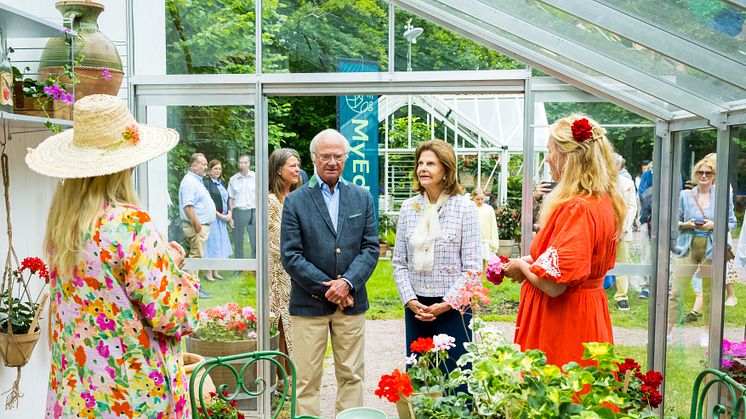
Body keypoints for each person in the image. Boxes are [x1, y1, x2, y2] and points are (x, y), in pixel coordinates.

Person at [26, 94, 199, 418]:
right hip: (132, 397)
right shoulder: (130, 225)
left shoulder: (62, 230)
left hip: (78, 396)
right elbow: (172, 315)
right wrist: (173, 268)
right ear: (124, 166)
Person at [503, 114, 625, 367]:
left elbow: (555, 286)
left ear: (568, 158)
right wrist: (532, 260)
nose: (547, 159)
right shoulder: (603, 200)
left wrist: (522, 267)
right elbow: (571, 260)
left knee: (561, 392)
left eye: (550, 151)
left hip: (563, 321)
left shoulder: (577, 207)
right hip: (587, 310)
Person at [280, 129, 378, 416]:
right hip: (309, 305)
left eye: (338, 156)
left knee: (351, 375)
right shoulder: (296, 201)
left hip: (351, 302)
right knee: (307, 379)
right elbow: (291, 255)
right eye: (325, 156)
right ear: (314, 158)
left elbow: (370, 248)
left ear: (346, 158)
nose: (332, 162)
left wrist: (347, 283)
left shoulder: (362, 197)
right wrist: (329, 289)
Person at [392, 139, 481, 376]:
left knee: (456, 377)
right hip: (417, 307)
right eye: (420, 163)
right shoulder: (408, 208)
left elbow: (473, 269)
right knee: (421, 376)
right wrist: (410, 300)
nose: (422, 168)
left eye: (430, 163)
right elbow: (399, 263)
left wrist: (446, 304)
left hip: (453, 307)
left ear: (446, 170)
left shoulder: (464, 207)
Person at [667, 155, 737, 347]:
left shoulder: (722, 195)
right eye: (700, 172)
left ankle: (706, 333)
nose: (704, 176)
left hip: (710, 250)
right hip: (687, 248)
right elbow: (673, 220)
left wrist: (714, 225)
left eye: (708, 173)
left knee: (709, 292)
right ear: (696, 174)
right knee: (676, 291)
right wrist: (685, 224)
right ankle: (667, 331)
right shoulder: (685, 195)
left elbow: (732, 222)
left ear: (714, 176)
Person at [267, 148, 302, 382]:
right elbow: (274, 243)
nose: (297, 169)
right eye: (292, 165)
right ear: (279, 170)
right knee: (279, 323)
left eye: (298, 164)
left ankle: (294, 375)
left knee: (295, 324)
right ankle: (281, 378)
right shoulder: (270, 201)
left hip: (296, 272)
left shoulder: (297, 198)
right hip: (278, 274)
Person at [179, 153, 215, 299]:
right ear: (194, 166)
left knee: (197, 256)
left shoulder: (196, 181)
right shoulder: (189, 181)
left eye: (206, 164)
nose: (206, 167)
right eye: (203, 164)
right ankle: (191, 289)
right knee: (196, 257)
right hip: (196, 227)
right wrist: (197, 224)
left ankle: (194, 286)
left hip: (199, 226)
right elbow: (188, 206)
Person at [612, 153, 638, 310]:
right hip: (603, 229)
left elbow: (632, 207)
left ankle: (622, 296)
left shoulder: (628, 183)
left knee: (622, 262)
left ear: (620, 167)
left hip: (623, 230)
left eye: (616, 165)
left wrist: (623, 228)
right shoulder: (599, 183)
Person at [203, 159, 232, 281]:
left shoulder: (220, 183)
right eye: (215, 169)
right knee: (212, 244)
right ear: (209, 170)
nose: (218, 171)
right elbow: (208, 203)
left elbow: (226, 199)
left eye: (219, 169)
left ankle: (215, 272)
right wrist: (220, 216)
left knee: (219, 244)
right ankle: (208, 273)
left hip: (223, 219)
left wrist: (229, 213)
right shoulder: (207, 183)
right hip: (214, 218)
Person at [228, 154, 257, 259]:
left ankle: (255, 266)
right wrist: (230, 216)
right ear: (238, 164)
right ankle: (238, 268)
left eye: (245, 162)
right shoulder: (233, 179)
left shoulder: (256, 177)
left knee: (254, 240)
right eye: (241, 163)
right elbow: (231, 199)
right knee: (238, 240)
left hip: (253, 212)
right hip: (238, 212)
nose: (243, 165)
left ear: (249, 163)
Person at [472, 188, 499, 261]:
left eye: (482, 199)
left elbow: (493, 227)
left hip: (487, 244)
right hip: (473, 243)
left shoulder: (489, 209)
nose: (480, 201)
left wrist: (494, 243)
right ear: (473, 198)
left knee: (487, 266)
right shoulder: (470, 209)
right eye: (477, 199)